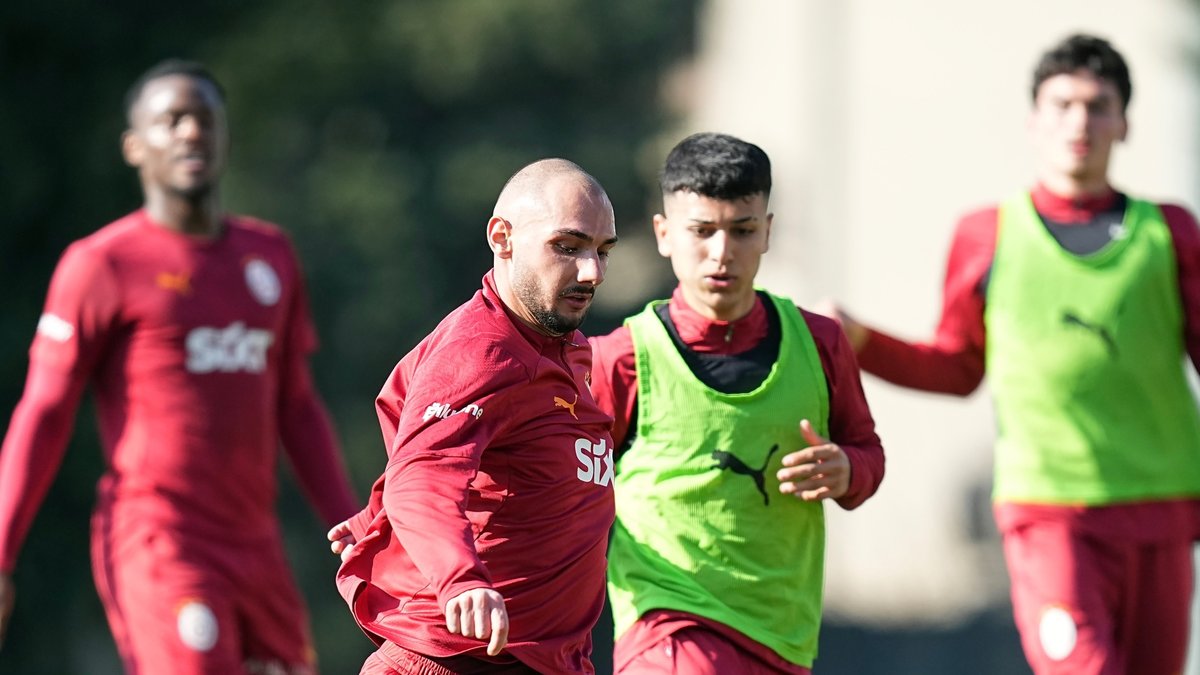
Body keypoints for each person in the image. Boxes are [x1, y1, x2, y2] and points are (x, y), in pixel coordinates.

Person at [828, 34, 1200, 675]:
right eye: (1063, 105)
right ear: (1034, 121)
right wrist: (860, 342)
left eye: (1098, 106)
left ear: (1124, 124)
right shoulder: (988, 234)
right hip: (1050, 512)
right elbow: (958, 367)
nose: (1079, 122)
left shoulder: (1169, 232)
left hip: (1161, 507)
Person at [0, 59, 359, 674]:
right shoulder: (102, 264)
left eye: (206, 119)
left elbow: (297, 407)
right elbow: (46, 410)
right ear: (134, 147)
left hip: (256, 544)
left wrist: (355, 532)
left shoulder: (270, 255)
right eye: (172, 121)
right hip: (160, 541)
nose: (192, 132)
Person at [587, 132, 886, 674]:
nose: (722, 253)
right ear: (664, 234)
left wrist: (847, 470)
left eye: (742, 231)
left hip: (781, 633)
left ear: (767, 231)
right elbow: (565, 480)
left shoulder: (820, 343)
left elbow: (867, 452)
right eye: (702, 231)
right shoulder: (623, 357)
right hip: (667, 623)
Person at [328, 158, 619, 674]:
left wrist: (380, 517)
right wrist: (460, 579)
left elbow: (412, 428)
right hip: (452, 659)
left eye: (602, 250)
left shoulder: (565, 347)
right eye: (567, 246)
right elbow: (423, 472)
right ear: (502, 238)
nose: (591, 271)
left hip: (539, 661)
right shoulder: (482, 350)